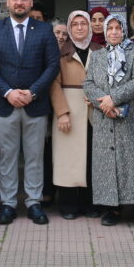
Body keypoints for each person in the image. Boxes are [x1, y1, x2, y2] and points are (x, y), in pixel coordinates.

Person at [0, 0, 61, 225]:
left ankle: (34, 202)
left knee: (35, 156)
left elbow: (52, 65)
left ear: (31, 3)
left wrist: (33, 92)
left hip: (35, 104)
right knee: (8, 156)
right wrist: (7, 92)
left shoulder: (45, 30)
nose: (19, 3)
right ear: (8, 3)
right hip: (4, 104)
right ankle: (8, 203)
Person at [85, 14, 134, 228]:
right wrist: (104, 104)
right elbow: (88, 83)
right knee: (107, 163)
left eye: (118, 28)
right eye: (110, 28)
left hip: (132, 116)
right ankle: (111, 209)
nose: (114, 32)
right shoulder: (97, 56)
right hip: (105, 117)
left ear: (124, 29)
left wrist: (113, 98)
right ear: (105, 32)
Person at [50, 11, 101, 219]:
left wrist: (99, 98)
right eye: (75, 24)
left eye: (84, 24)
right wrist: (62, 112)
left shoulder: (100, 50)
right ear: (70, 29)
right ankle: (68, 205)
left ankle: (90, 204)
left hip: (95, 111)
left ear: (89, 27)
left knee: (92, 158)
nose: (80, 28)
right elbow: (54, 84)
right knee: (68, 160)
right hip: (69, 110)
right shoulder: (61, 52)